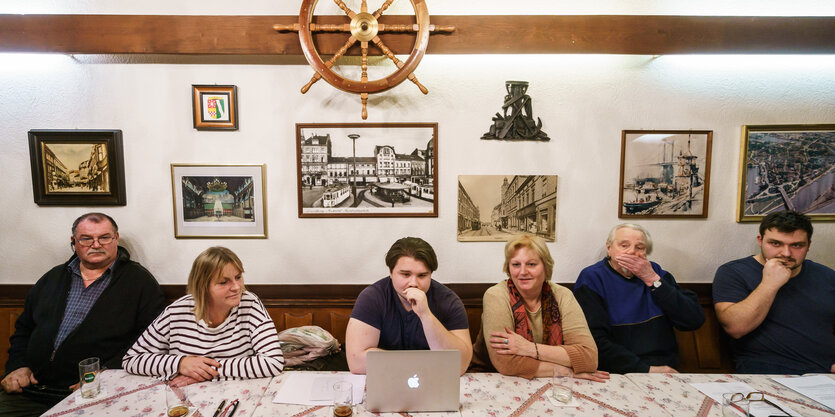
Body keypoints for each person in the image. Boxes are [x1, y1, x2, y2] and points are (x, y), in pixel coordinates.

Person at [1, 213, 165, 416]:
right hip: (30, 390)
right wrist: (17, 366)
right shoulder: (53, 278)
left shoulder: (139, 282)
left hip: (95, 393)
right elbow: (24, 329)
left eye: (104, 237)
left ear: (116, 238)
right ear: (74, 242)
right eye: (86, 239)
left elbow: (149, 340)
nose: (96, 244)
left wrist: (107, 373)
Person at [123, 247, 284, 386]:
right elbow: (131, 360)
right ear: (203, 286)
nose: (236, 287)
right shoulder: (177, 311)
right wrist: (181, 364)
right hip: (183, 399)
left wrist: (206, 371)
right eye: (223, 282)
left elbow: (273, 362)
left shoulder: (250, 304)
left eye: (238, 277)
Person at [471, 234, 609, 381]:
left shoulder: (563, 295)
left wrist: (528, 348)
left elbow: (589, 358)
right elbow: (506, 363)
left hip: (545, 381)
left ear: (546, 266)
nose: (523, 272)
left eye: (531, 264)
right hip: (491, 377)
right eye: (516, 264)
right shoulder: (496, 295)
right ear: (508, 268)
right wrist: (567, 371)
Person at [713, 210, 835, 374]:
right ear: (760, 241)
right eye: (776, 244)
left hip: (823, 372)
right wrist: (769, 283)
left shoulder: (826, 276)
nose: (786, 253)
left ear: (808, 245)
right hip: (765, 370)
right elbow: (735, 327)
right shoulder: (733, 272)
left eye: (797, 245)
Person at [573, 224, 705, 374]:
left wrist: (652, 280)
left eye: (640, 247)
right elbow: (594, 341)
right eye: (624, 245)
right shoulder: (592, 278)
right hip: (615, 371)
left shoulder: (657, 273)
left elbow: (694, 320)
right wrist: (645, 369)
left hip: (665, 369)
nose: (632, 252)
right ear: (609, 248)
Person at [345, 237, 472, 375]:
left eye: (422, 275)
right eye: (405, 274)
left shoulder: (449, 301)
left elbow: (460, 366)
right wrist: (424, 363)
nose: (413, 283)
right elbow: (356, 363)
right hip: (387, 377)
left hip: (432, 379)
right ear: (390, 272)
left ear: (431, 274)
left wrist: (426, 315)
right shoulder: (371, 297)